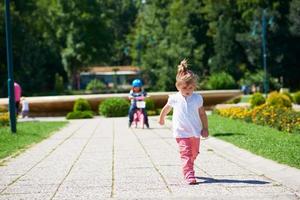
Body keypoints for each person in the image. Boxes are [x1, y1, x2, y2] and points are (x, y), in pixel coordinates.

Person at [159, 59, 209, 185]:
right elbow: (166, 108)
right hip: (181, 132)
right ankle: (189, 174)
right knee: (186, 153)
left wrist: (205, 128)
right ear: (178, 86)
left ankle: (189, 165)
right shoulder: (174, 98)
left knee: (194, 153)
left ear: (194, 87)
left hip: (195, 132)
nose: (188, 90)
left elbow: (202, 114)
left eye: (191, 87)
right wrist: (161, 118)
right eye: (184, 87)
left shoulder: (197, 98)